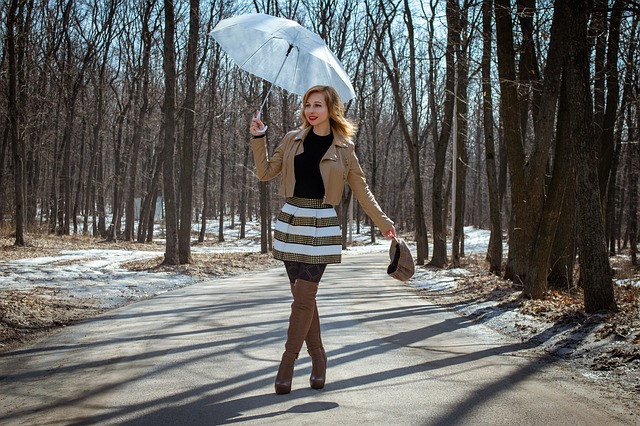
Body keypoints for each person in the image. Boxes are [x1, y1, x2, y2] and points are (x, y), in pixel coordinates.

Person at [249, 85, 396, 395]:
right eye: (307, 105)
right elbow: (264, 173)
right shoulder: (291, 139)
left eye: (317, 104)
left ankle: (286, 365)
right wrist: (259, 137)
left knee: (303, 298)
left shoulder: (344, 148)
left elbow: (361, 190)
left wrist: (383, 223)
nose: (310, 110)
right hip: (292, 223)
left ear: (331, 109)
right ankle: (319, 358)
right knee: (305, 301)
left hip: (322, 226)